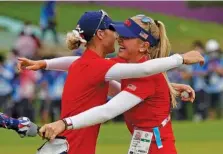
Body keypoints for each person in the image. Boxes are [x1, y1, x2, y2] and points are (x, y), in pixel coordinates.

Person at [18, 10, 204, 154]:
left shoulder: (145, 75)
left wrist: (64, 123)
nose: (119, 38)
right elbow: (85, 64)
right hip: (143, 146)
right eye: (120, 33)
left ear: (144, 46)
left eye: (127, 36)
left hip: (158, 149)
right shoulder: (124, 63)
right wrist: (44, 63)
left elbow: (108, 110)